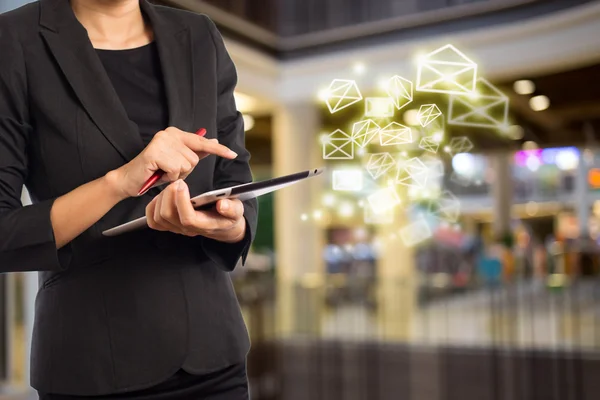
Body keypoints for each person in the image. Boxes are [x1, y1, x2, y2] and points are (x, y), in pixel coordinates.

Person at [0, 0, 258, 398]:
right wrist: (119, 182)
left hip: (213, 359)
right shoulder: (14, 40)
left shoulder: (199, 35)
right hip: (92, 365)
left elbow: (234, 175)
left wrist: (229, 222)